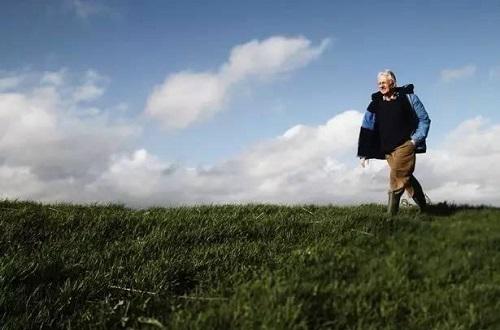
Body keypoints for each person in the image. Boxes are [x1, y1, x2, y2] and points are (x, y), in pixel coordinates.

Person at [357, 70, 431, 215]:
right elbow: (367, 127)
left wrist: (415, 140)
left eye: (384, 82)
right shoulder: (375, 104)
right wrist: (364, 153)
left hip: (405, 145)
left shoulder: (409, 98)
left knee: (396, 177)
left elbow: (424, 119)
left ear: (392, 82)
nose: (381, 86)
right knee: (406, 178)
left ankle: (390, 217)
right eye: (379, 83)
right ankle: (424, 207)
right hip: (387, 149)